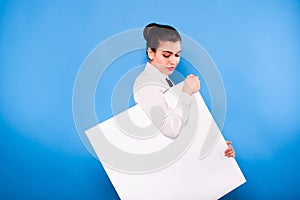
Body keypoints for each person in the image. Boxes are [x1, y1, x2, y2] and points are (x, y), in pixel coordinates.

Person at [133, 23, 235, 158]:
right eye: (166, 55)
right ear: (151, 53)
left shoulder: (163, 80)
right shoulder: (146, 84)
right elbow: (171, 129)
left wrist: (217, 146)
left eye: (177, 55)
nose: (173, 61)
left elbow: (183, 123)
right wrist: (186, 92)